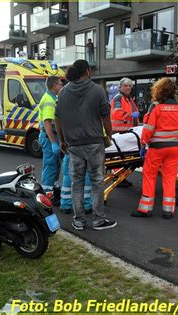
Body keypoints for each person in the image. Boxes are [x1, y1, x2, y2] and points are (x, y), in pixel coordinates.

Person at [55, 60, 117, 231]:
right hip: (94, 143)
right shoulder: (97, 90)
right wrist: (109, 135)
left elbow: (57, 118)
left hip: (73, 145)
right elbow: (106, 117)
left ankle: (79, 220)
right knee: (97, 181)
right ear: (88, 72)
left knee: (77, 183)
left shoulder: (63, 92)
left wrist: (62, 140)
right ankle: (98, 220)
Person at [132, 78, 178, 219]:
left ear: (159, 91)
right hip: (175, 148)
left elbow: (148, 130)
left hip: (157, 148)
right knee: (169, 177)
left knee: (150, 175)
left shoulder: (157, 109)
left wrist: (143, 144)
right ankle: (168, 211)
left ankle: (146, 209)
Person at [110, 77, 140, 188]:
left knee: (124, 158)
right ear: (120, 87)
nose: (128, 87)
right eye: (125, 85)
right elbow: (116, 113)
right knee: (119, 157)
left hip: (126, 131)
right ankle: (118, 177)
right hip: (119, 131)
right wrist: (130, 116)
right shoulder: (119, 98)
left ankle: (121, 177)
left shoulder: (128, 99)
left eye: (129, 86)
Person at [38, 76, 63, 203]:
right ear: (54, 86)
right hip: (49, 137)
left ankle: (51, 191)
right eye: (60, 84)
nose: (61, 86)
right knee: (50, 166)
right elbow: (47, 122)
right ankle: (47, 196)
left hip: (51, 137)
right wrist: (54, 143)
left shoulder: (52, 98)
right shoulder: (49, 100)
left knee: (54, 166)